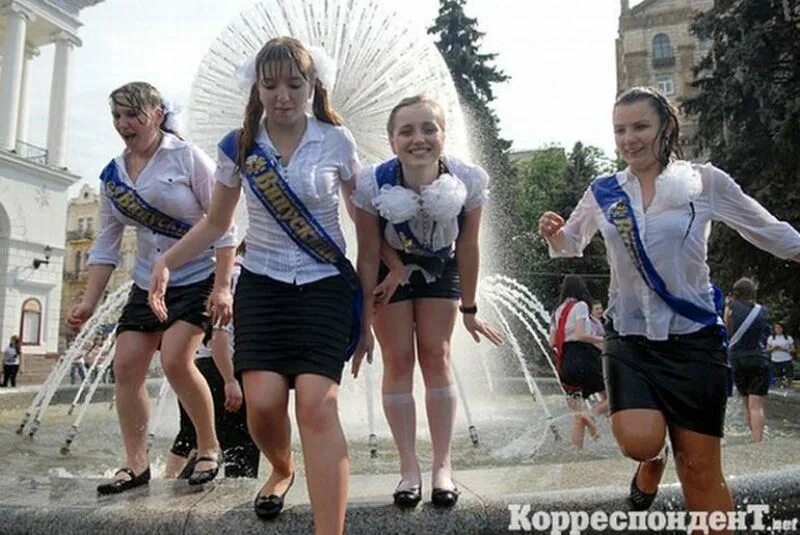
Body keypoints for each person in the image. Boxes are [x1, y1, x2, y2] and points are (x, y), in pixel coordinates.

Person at [538, 86, 800, 528]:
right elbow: (571, 244)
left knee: (700, 471)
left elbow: (767, 229)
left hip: (695, 341)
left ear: (666, 128)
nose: (629, 138)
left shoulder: (704, 182)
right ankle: (652, 459)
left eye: (640, 126)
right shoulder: (604, 191)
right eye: (620, 130)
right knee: (640, 441)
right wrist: (554, 234)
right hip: (631, 341)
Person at [147, 37, 364, 535]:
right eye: (271, 85)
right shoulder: (239, 145)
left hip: (325, 283)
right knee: (263, 404)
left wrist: (383, 271)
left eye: (294, 84)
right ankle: (283, 467)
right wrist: (168, 259)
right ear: (257, 88)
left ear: (313, 86)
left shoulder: (336, 140)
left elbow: (362, 215)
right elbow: (216, 221)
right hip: (263, 286)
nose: (283, 95)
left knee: (317, 404)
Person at [66, 81, 236, 495]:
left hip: (194, 275)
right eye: (117, 116)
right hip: (145, 280)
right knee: (125, 366)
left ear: (157, 114)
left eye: (132, 114)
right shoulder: (113, 175)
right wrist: (89, 300)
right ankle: (136, 464)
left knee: (177, 358)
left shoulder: (187, 157)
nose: (124, 124)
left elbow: (224, 226)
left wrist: (222, 286)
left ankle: (208, 447)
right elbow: (106, 244)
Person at [351, 95, 503, 509]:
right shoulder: (372, 182)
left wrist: (470, 309)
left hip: (441, 265)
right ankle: (407, 469)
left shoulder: (468, 178)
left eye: (428, 128)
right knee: (398, 359)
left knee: (436, 354)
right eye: (407, 131)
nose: (419, 139)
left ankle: (442, 467)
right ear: (392, 139)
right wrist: (364, 317)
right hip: (388, 271)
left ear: (443, 134)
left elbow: (468, 246)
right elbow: (367, 251)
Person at [165, 322, 260, 479]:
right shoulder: (227, 298)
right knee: (239, 446)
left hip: (197, 368)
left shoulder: (203, 301)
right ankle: (237, 490)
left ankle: (171, 481)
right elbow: (219, 337)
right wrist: (230, 379)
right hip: (223, 368)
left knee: (190, 436)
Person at [548, 275, 607, 450]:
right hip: (584, 357)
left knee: (576, 413)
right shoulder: (580, 306)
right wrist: (602, 340)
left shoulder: (556, 311)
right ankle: (592, 414)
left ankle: (575, 450)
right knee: (613, 396)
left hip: (565, 362)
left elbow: (551, 342)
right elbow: (581, 334)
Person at [724, 278, 771, 442]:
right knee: (756, 405)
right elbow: (765, 333)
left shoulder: (731, 306)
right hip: (758, 359)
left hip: (736, 360)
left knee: (746, 403)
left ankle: (752, 436)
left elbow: (726, 328)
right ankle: (757, 440)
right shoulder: (762, 310)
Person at [766, 321, 795, 388]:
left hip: (786, 359)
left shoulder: (788, 337)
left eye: (780, 328)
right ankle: (779, 387)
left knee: (789, 375)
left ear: (783, 328)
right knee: (777, 376)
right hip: (775, 360)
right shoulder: (771, 338)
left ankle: (789, 387)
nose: (778, 329)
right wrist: (773, 348)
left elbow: (793, 350)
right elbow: (767, 350)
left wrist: (784, 349)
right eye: (776, 328)